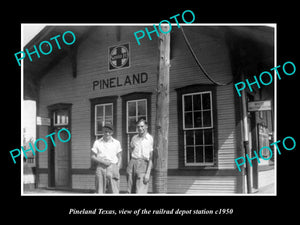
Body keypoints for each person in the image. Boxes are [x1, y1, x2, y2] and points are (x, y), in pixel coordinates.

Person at [91, 123, 122, 194]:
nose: (107, 133)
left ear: (112, 132)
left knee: (114, 190)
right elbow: (92, 156)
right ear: (103, 131)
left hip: (113, 167)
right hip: (101, 167)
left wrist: (117, 167)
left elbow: (119, 157)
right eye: (105, 131)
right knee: (100, 191)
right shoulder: (97, 142)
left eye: (109, 132)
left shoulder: (116, 143)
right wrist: (103, 161)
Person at [126, 118, 153, 194]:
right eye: (138, 127)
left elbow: (151, 158)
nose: (140, 128)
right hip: (132, 163)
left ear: (146, 126)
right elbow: (131, 149)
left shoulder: (150, 139)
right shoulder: (134, 138)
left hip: (143, 164)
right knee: (130, 190)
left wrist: (148, 173)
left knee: (140, 191)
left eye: (142, 126)